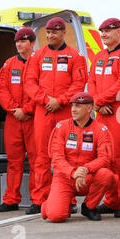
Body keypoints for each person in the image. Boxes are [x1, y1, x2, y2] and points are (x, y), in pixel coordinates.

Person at [25, 17, 88, 214]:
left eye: (54, 32)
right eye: (48, 33)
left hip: (65, 112)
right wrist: (45, 100)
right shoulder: (37, 56)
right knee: (41, 156)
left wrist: (59, 100)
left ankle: (68, 199)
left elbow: (78, 84)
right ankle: (40, 199)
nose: (50, 35)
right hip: (43, 112)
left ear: (63, 33)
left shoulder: (75, 56)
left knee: (67, 156)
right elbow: (30, 83)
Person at [87, 18, 120, 218]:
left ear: (119, 32)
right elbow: (91, 80)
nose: (104, 35)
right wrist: (97, 103)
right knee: (105, 157)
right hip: (102, 111)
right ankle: (112, 200)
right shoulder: (99, 56)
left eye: (108, 31)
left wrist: (99, 100)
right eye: (102, 32)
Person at [41, 92, 119, 222]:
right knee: (56, 216)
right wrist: (73, 173)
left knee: (107, 175)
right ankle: (47, 206)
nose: (73, 110)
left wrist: (86, 169)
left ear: (89, 108)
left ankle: (89, 207)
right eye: (72, 106)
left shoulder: (100, 129)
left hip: (87, 176)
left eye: (77, 106)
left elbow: (104, 158)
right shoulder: (62, 127)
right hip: (65, 177)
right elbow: (56, 158)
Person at [0, 27, 37, 212]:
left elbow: (41, 89)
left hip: (33, 118)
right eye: (17, 42)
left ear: (32, 43)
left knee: (37, 161)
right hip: (14, 118)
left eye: (23, 41)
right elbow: (2, 90)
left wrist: (26, 110)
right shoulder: (8, 64)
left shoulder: (38, 63)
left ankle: (38, 199)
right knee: (14, 161)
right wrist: (14, 110)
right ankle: (11, 199)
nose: (19, 45)